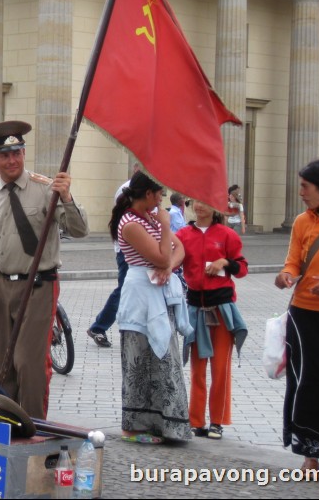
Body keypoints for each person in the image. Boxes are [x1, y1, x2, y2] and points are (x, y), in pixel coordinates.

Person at [0, 121, 88, 419]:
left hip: (38, 286)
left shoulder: (46, 189)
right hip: (2, 288)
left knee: (28, 362)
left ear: (23, 153)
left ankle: (34, 427)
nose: (12, 160)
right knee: (1, 363)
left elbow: (80, 229)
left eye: (17, 153)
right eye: (5, 155)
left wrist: (68, 198)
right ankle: (3, 422)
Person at [274, 159, 319, 472]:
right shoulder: (303, 222)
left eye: (305, 186)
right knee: (308, 383)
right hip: (304, 316)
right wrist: (285, 276)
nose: (300, 192)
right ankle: (310, 454)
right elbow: (293, 262)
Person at [113, 171, 190, 443]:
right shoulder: (131, 223)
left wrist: (168, 266)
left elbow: (178, 250)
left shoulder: (150, 218)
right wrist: (166, 230)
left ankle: (164, 422)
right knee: (139, 358)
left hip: (157, 288)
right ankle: (134, 426)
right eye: (159, 193)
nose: (162, 199)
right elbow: (159, 255)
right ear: (148, 194)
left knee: (163, 358)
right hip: (140, 294)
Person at [176, 200, 248, 440]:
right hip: (195, 307)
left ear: (215, 206)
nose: (200, 205)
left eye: (205, 201)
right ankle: (196, 421)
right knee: (197, 368)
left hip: (222, 309)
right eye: (196, 200)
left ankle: (217, 421)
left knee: (220, 368)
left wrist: (225, 262)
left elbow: (242, 268)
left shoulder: (227, 234)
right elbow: (172, 260)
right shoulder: (183, 234)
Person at [86, 162, 141, 348]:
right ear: (137, 169)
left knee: (131, 291)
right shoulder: (127, 190)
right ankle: (99, 327)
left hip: (141, 248)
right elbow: (123, 219)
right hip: (128, 249)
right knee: (125, 291)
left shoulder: (148, 189)